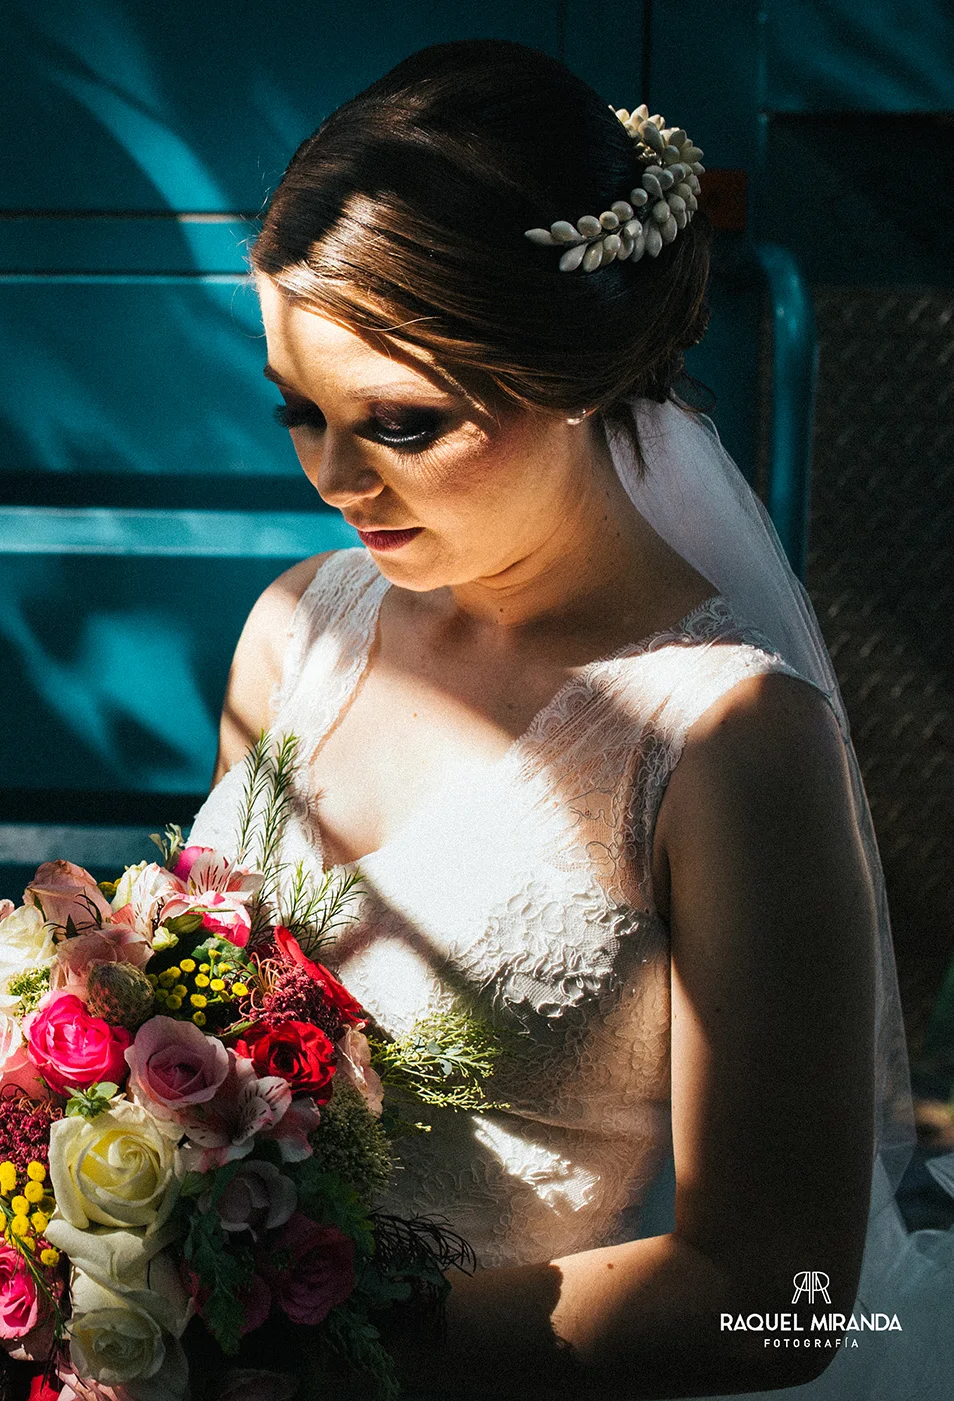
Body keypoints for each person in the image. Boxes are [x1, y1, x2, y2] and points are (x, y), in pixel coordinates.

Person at [188, 40, 952, 1398]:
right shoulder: (292, 632)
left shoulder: (724, 741)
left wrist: (316, 1358)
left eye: (401, 423)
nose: (329, 477)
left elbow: (776, 1294)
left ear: (580, 371)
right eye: (295, 411)